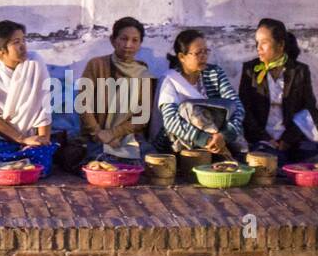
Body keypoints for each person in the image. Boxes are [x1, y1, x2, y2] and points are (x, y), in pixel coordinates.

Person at [0, 21, 57, 176]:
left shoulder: (35, 63)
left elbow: (44, 106)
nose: (23, 46)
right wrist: (21, 139)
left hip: (32, 137)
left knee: (42, 159)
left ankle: (8, 165)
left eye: (24, 40)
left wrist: (42, 140)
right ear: (1, 49)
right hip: (0, 137)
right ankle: (15, 163)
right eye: (16, 42)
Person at [238, 18, 318, 165]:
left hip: (291, 140)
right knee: (267, 156)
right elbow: (243, 109)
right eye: (257, 42)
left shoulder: (299, 71)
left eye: (264, 42)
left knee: (317, 153)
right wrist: (266, 139)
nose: (258, 48)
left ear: (280, 45)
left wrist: (287, 140)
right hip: (261, 140)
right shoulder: (251, 70)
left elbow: (309, 109)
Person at [156, 29, 246, 158]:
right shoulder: (170, 80)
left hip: (219, 141)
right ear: (182, 57)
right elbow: (170, 120)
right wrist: (205, 139)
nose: (203, 56)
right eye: (198, 53)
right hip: (182, 145)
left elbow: (237, 106)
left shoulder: (215, 73)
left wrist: (224, 135)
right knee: (189, 109)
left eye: (205, 52)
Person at [77, 16, 156, 162]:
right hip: (96, 136)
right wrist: (99, 133)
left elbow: (142, 117)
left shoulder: (143, 73)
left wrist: (114, 133)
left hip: (129, 136)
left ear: (140, 44)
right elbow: (82, 104)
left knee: (152, 164)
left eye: (134, 40)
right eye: (123, 38)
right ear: (113, 41)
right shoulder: (96, 65)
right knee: (100, 165)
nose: (128, 45)